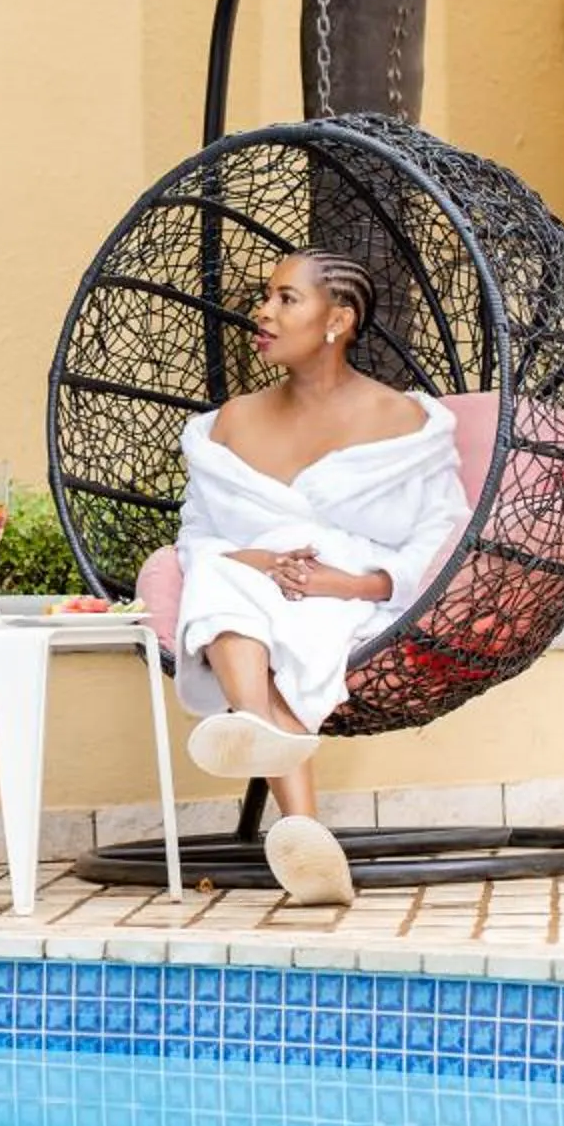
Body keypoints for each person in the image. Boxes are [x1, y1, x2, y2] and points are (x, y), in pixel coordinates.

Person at [172, 250, 470, 906]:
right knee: (222, 576)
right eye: (266, 297)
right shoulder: (229, 422)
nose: (263, 312)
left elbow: (440, 534)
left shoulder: (405, 422)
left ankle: (267, 750)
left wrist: (352, 584)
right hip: (250, 587)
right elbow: (198, 536)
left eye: (285, 299)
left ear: (338, 319)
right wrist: (261, 562)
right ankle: (292, 804)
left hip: (357, 599)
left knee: (266, 605)